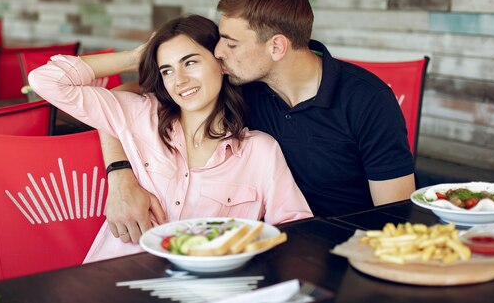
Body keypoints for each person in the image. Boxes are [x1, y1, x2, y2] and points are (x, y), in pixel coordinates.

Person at [100, 0, 416, 243]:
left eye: (231, 43)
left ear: (276, 46)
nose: (218, 53)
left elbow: (396, 218)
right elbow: (116, 101)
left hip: (352, 248)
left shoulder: (367, 100)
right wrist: (120, 176)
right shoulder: (241, 86)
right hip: (269, 246)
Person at [29, 14, 312, 262]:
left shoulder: (259, 151)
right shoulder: (139, 115)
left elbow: (297, 231)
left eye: (190, 63)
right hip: (114, 279)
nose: (179, 80)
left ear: (222, 63)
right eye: (167, 70)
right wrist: (135, 56)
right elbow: (46, 80)